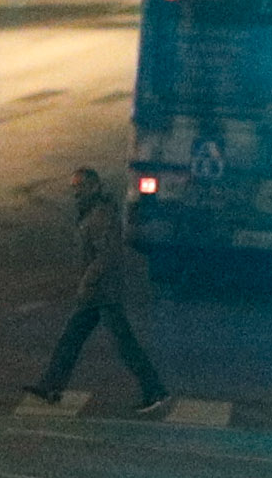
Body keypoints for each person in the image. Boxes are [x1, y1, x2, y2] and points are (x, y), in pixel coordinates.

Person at [34, 163, 170, 412]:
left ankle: (155, 390)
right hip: (95, 293)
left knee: (124, 344)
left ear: (95, 186)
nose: (76, 191)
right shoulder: (91, 211)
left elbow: (107, 255)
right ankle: (50, 386)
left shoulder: (101, 213)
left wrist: (88, 279)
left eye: (81, 186)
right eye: (74, 186)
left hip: (103, 292)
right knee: (71, 339)